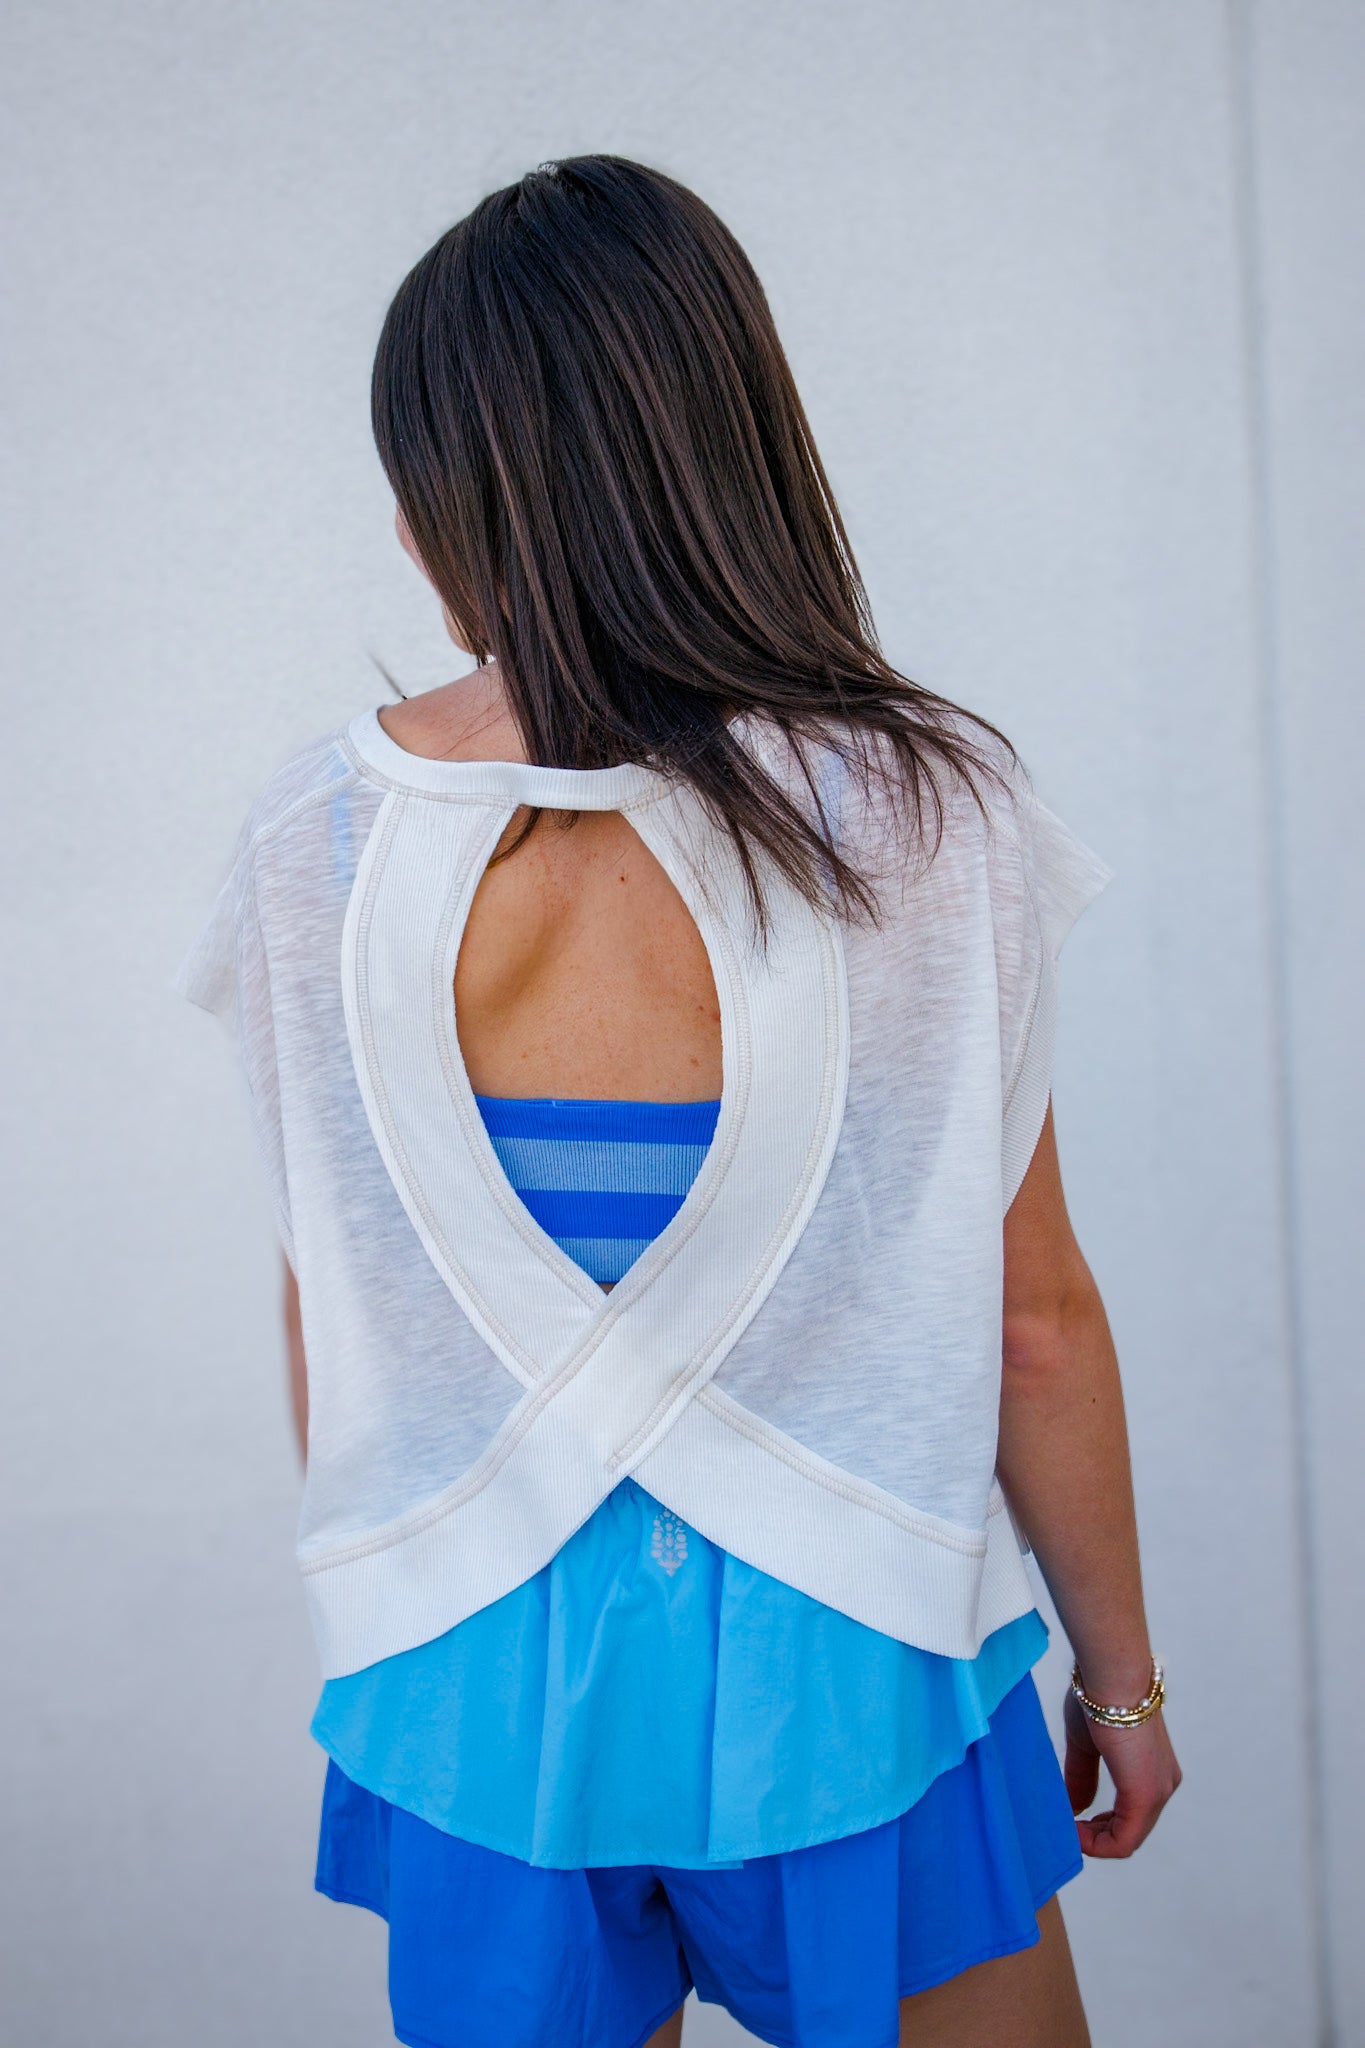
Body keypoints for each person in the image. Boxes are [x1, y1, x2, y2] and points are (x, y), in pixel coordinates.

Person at [176, 154, 1180, 2048]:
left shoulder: (304, 848)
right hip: (860, 1665)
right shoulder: (926, 820)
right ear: (743, 443)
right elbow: (1031, 1324)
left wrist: (407, 1600)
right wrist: (1116, 1685)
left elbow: (337, 1295)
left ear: (431, 511)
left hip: (476, 1680)